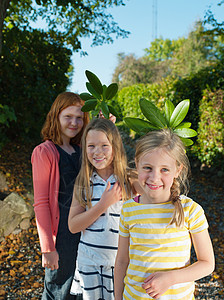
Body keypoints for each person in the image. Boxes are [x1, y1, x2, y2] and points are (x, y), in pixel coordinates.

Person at [114, 129, 215, 300]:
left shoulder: (190, 210)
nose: (154, 177)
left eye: (164, 170)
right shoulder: (128, 209)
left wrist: (170, 278)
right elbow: (122, 261)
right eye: (147, 168)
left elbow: (207, 263)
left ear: (177, 170)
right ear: (137, 164)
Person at [68, 118, 135, 300]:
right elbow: (73, 226)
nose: (97, 152)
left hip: (120, 264)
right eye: (91, 146)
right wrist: (103, 204)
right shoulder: (83, 183)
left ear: (115, 146)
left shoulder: (129, 181)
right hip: (89, 263)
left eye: (104, 145)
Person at [31, 92, 89, 300]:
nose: (74, 122)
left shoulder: (82, 150)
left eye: (79, 118)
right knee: (59, 290)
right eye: (68, 116)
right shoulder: (44, 152)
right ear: (56, 116)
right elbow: (41, 203)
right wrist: (47, 248)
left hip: (86, 231)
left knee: (82, 290)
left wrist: (103, 129)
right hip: (62, 236)